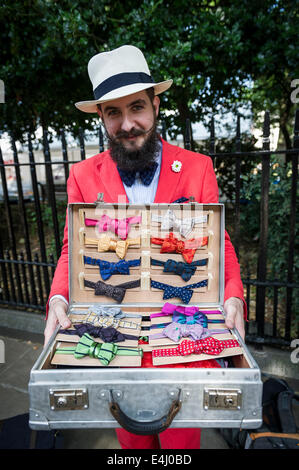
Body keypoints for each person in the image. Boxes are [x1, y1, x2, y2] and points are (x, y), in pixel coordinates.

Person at [44, 45, 246, 449]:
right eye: (113, 113)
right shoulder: (83, 175)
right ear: (101, 116)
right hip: (116, 332)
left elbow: (217, 241)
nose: (127, 124)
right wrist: (58, 298)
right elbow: (74, 249)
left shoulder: (196, 166)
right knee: (131, 443)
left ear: (155, 105)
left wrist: (234, 297)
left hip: (187, 332)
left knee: (181, 444)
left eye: (136, 107)